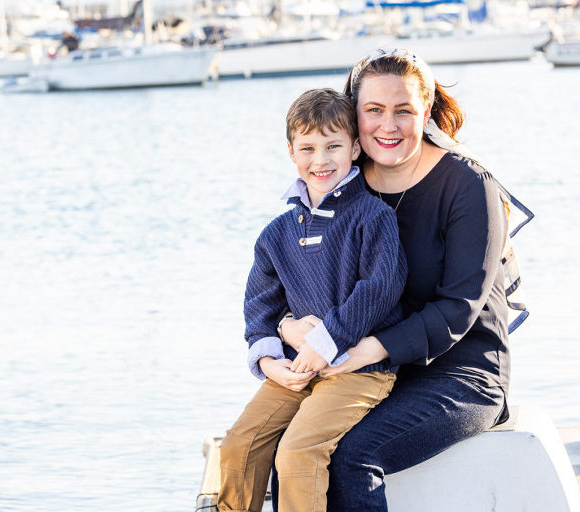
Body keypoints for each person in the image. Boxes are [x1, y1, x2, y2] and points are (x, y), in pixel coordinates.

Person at [274, 48, 532, 511]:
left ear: (426, 111)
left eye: (404, 111)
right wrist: (288, 327)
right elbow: (296, 274)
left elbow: (459, 310)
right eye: (373, 110)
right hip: (368, 371)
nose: (387, 126)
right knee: (283, 446)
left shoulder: (468, 186)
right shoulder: (343, 181)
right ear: (353, 114)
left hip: (461, 373)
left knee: (354, 453)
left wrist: (367, 351)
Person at [217, 88, 409, 512]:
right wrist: (269, 363)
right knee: (238, 445)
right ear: (291, 152)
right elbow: (260, 308)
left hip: (358, 369)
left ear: (355, 148)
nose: (319, 160)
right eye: (307, 148)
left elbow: (380, 289)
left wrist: (325, 343)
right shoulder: (277, 233)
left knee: (297, 453)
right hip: (296, 369)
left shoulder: (374, 217)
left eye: (332, 146)